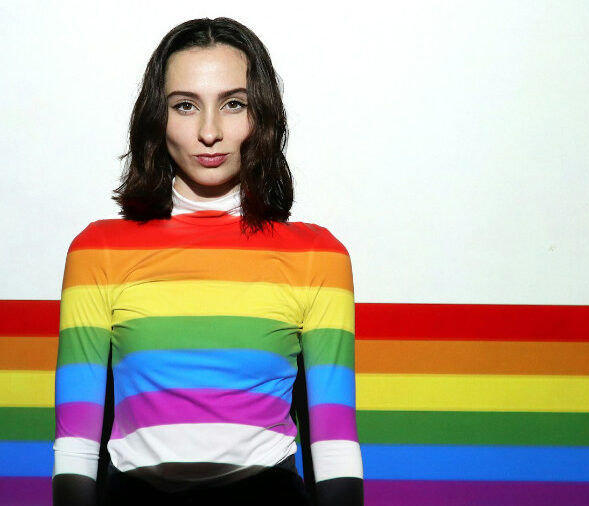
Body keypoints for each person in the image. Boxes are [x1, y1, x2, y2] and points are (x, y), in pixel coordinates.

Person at [52, 17, 363, 506]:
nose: (210, 132)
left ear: (262, 116)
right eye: (185, 105)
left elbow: (335, 446)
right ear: (157, 118)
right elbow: (75, 448)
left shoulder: (316, 256)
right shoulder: (99, 250)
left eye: (233, 104)